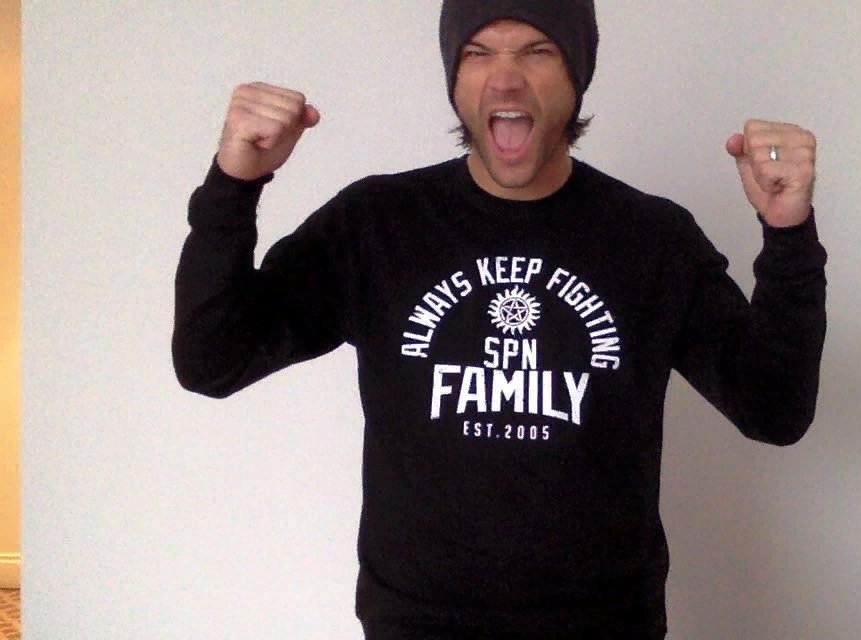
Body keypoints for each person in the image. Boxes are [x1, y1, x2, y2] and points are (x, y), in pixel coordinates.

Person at [173, 1, 827, 638]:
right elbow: (212, 360)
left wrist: (788, 234)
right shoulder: (376, 224)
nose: (506, 78)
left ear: (576, 75)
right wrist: (234, 184)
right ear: (454, 79)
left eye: (537, 51)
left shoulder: (652, 239)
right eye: (478, 53)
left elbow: (774, 409)